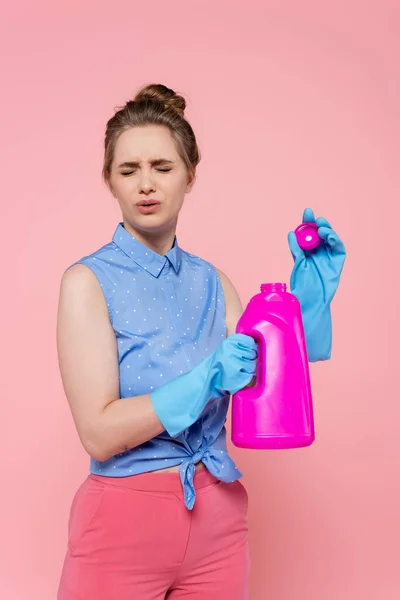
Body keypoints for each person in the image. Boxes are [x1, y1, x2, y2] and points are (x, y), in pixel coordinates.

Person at [56, 83, 346, 600]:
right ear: (110, 181)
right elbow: (98, 433)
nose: (146, 184)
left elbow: (275, 384)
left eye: (162, 168)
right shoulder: (88, 281)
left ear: (190, 176)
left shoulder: (215, 282)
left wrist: (304, 303)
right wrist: (204, 379)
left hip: (218, 521)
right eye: (129, 170)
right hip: (123, 526)